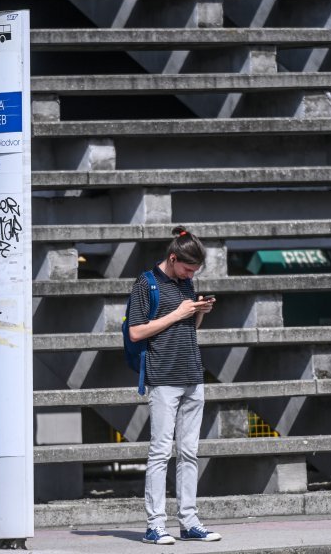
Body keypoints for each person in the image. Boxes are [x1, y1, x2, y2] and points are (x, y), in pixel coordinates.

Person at [127, 226, 222, 545]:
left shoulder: (186, 283)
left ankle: (190, 521)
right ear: (172, 257)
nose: (190, 274)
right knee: (160, 452)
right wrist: (180, 311)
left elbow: (187, 326)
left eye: (194, 270)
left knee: (189, 452)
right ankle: (154, 524)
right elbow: (136, 332)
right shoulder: (146, 283)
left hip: (193, 374)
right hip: (163, 376)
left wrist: (198, 312)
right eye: (187, 268)